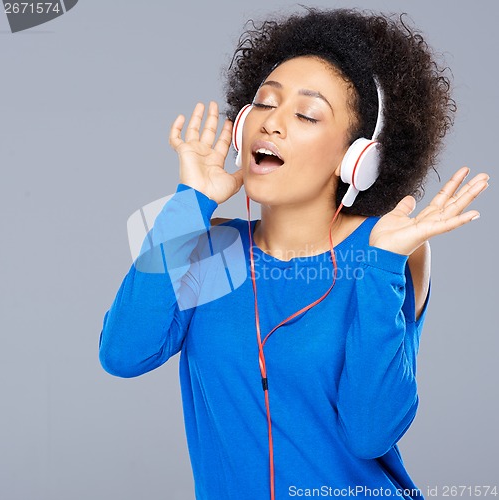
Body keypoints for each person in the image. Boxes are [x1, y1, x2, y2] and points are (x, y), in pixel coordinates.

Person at [99, 7, 489, 500]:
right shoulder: (211, 246)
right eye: (263, 104)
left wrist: (381, 268)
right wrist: (191, 200)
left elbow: (371, 431)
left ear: (359, 158)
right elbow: (123, 354)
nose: (272, 124)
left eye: (306, 114)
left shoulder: (386, 249)